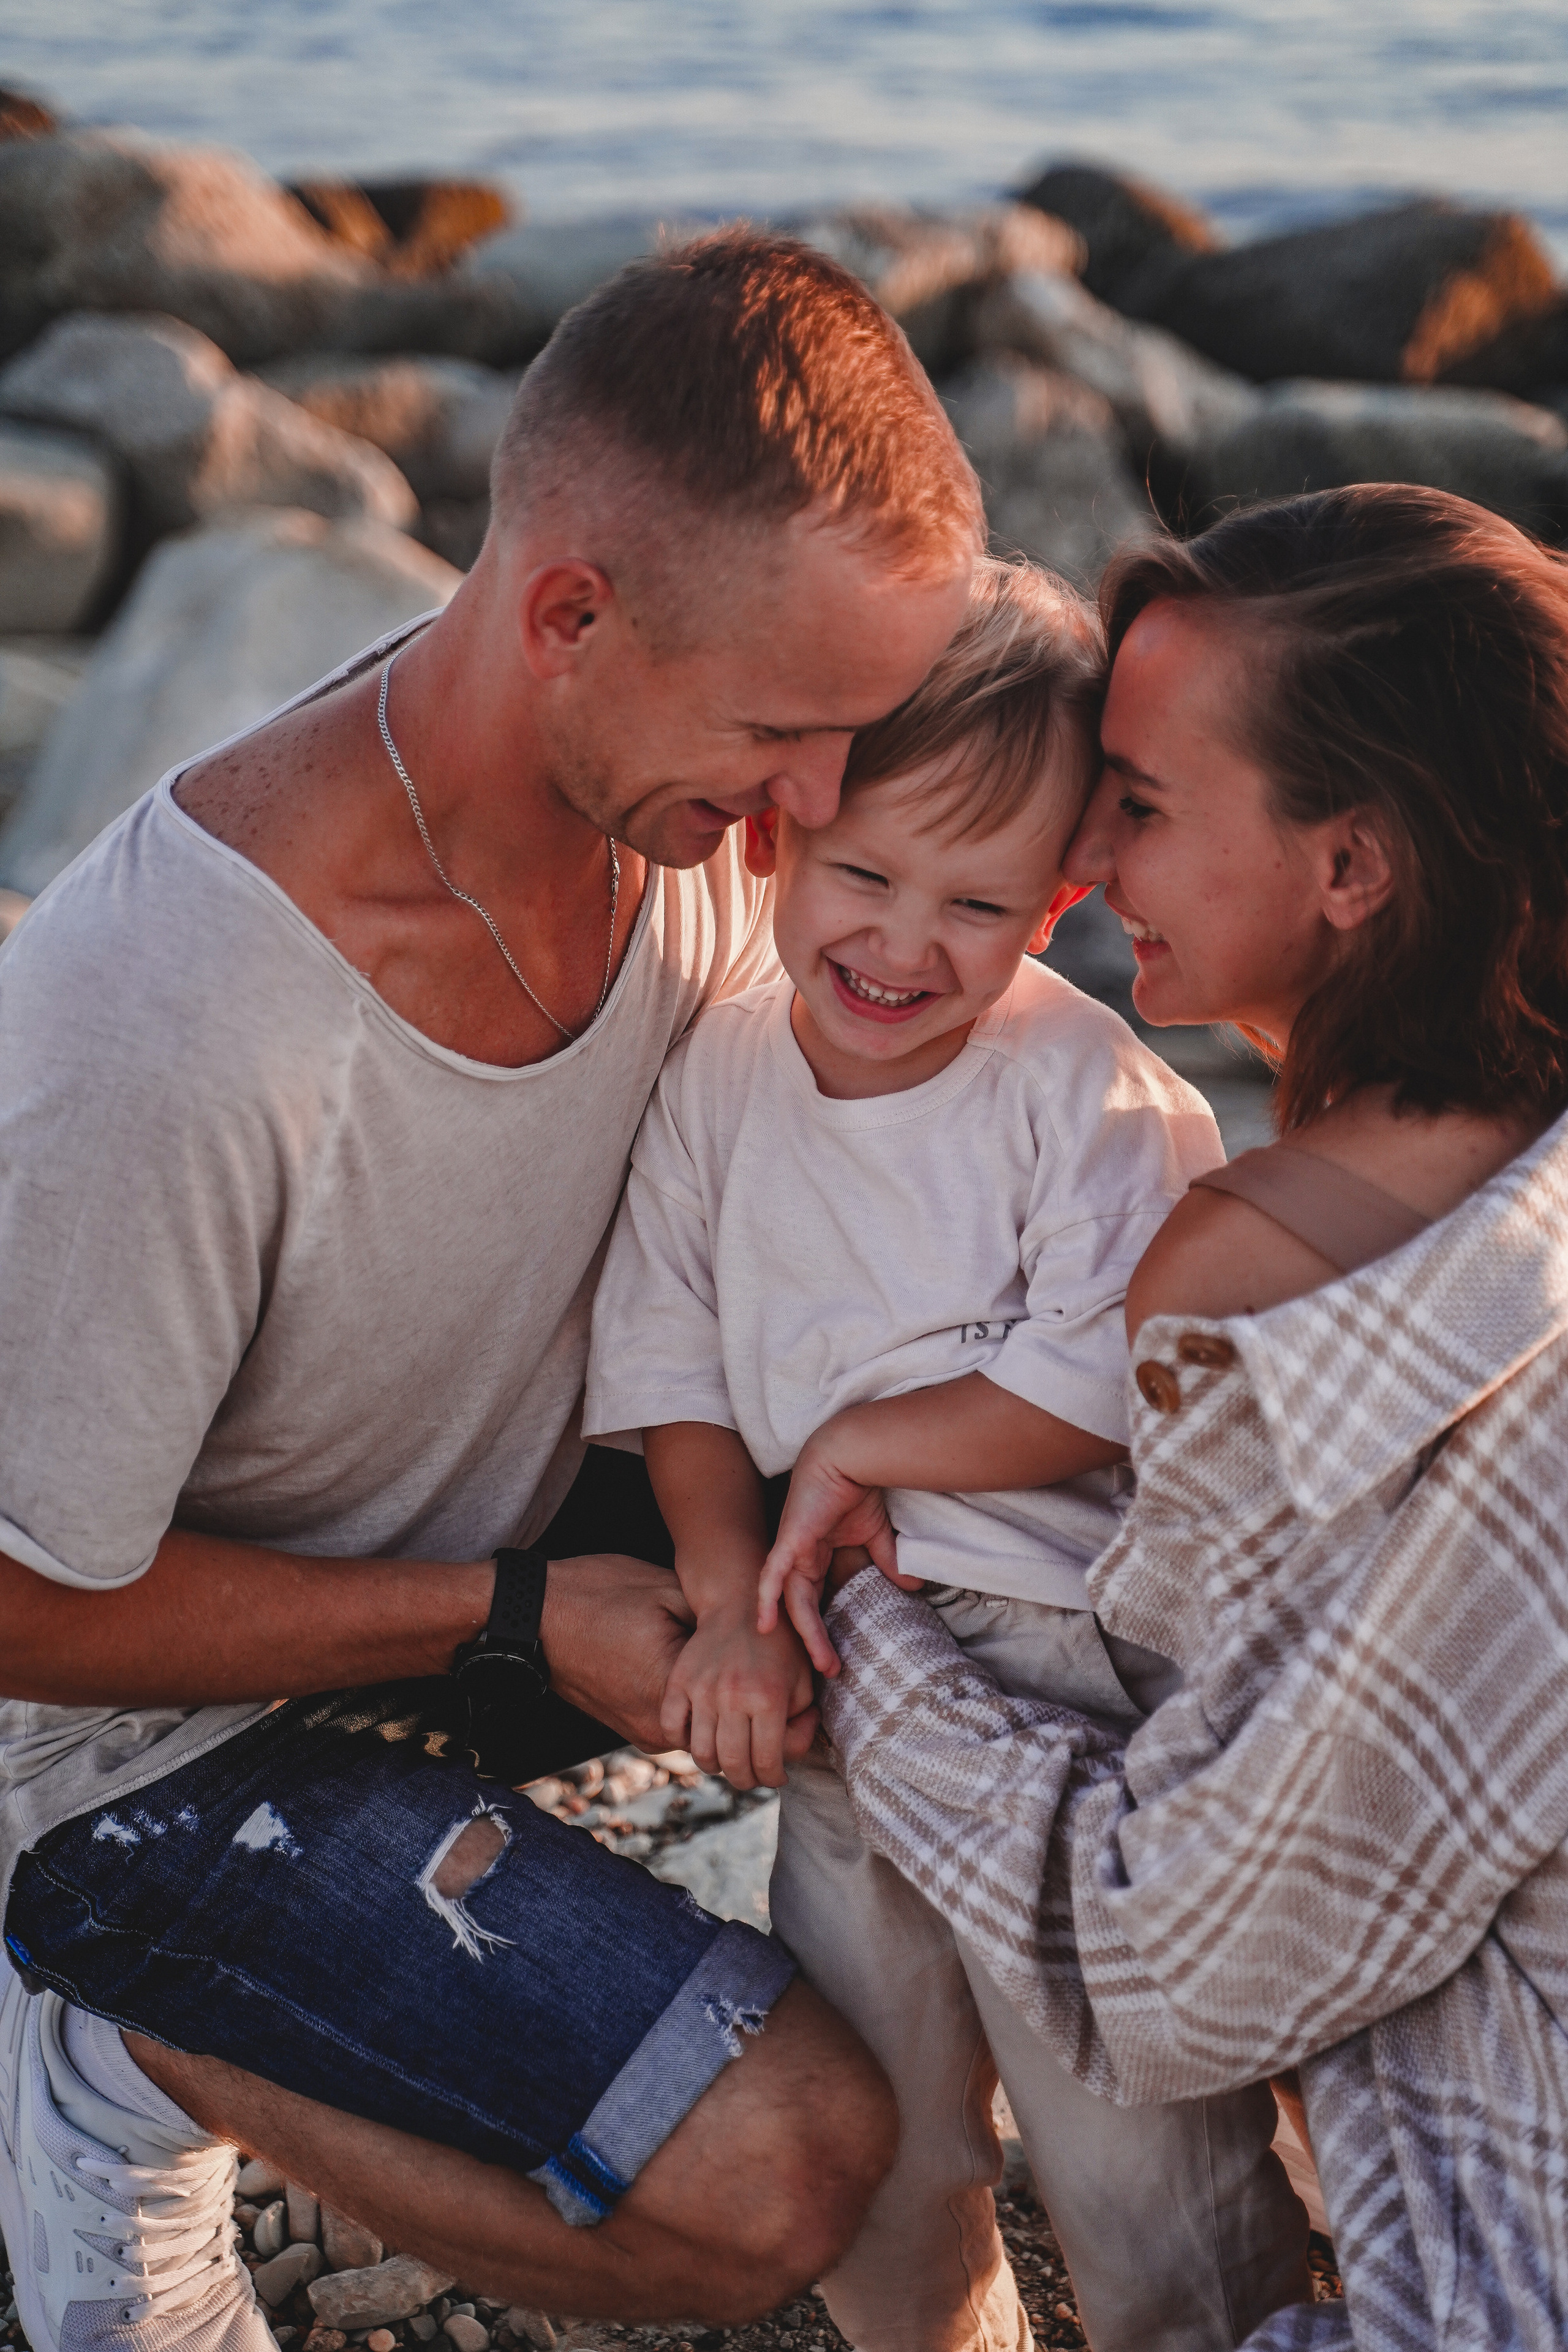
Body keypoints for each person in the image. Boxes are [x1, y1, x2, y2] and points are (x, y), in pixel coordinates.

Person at [0, 228, 983, 2352]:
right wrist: (528, 1618)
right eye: (786, 733)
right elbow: (18, 1613)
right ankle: (107, 2057)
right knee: (777, 2175)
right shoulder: (169, 1023)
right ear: (567, 617)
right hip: (135, 1738)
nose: (818, 812)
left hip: (515, 1552)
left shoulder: (685, 826)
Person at [810, 484, 1568, 2350]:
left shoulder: (1247, 1265)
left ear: (1353, 868)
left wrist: (853, 1640)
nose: (1081, 855)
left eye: (1136, 805)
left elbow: (1185, 1955)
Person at [582, 557, 1311, 2352]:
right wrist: (724, 1601)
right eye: (864, 878)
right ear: (777, 844)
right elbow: (670, 1359)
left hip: (1076, 1689)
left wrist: (864, 1443)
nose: (903, 948)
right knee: (892, 2124)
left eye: (977, 906)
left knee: (1140, 2143)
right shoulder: (722, 1075)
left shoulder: (1096, 1101)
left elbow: (1105, 1379)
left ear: (1060, 900)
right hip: (837, 1674)